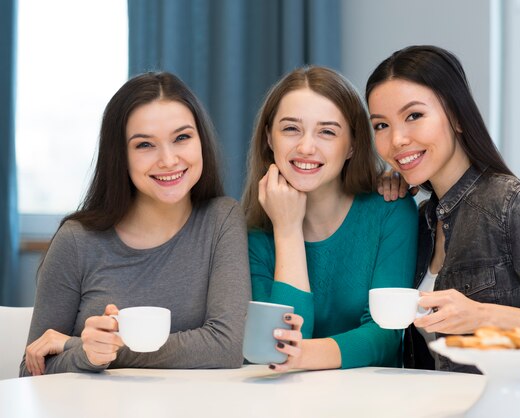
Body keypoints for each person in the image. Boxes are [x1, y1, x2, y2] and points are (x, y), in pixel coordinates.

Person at [365, 45, 520, 389]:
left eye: (414, 116)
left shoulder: (512, 204)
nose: (397, 139)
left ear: (456, 116)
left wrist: (484, 316)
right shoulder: (422, 220)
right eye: (381, 125)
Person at [20, 72, 251, 376]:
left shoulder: (222, 219)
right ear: (121, 156)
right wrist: (87, 353)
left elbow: (226, 346)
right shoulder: (76, 241)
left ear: (201, 141)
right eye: (145, 145)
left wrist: (84, 347)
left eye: (182, 137)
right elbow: (33, 368)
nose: (168, 160)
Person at [241, 66, 418, 372]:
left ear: (351, 144)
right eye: (291, 129)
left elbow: (386, 334)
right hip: (287, 399)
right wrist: (287, 230)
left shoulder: (391, 210)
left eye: (327, 131)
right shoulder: (256, 230)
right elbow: (274, 345)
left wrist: (303, 356)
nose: (306, 147)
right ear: (269, 137)